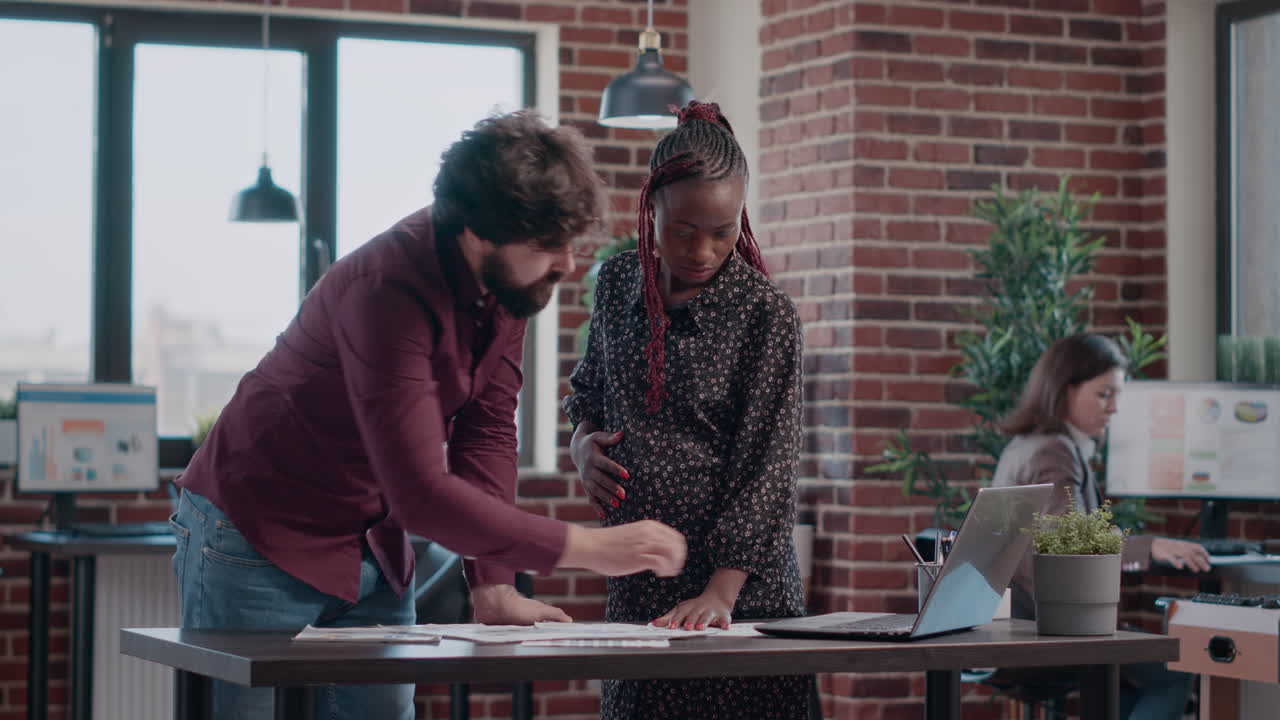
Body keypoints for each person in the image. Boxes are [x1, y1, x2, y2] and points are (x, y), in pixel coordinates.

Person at [171, 111, 687, 720]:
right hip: (257, 532)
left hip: (372, 544)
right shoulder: (386, 288)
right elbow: (420, 492)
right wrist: (591, 548)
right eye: (548, 246)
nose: (567, 264)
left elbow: (486, 430)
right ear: (479, 233)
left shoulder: (509, 286)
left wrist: (493, 582)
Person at [563, 101, 815, 720]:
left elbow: (768, 468)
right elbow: (590, 392)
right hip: (638, 581)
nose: (704, 250)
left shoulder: (765, 315)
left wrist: (720, 592)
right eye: (683, 231)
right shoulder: (617, 283)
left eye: (723, 231)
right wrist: (581, 445)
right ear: (651, 207)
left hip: (739, 592)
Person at [991, 333, 1210, 719]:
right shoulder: (1054, 452)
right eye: (1103, 395)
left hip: (1020, 623)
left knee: (1130, 675)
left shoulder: (1032, 443)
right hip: (1037, 630)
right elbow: (1072, 544)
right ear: (1065, 389)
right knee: (1175, 667)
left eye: (1117, 396)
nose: (1114, 408)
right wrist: (1150, 547)